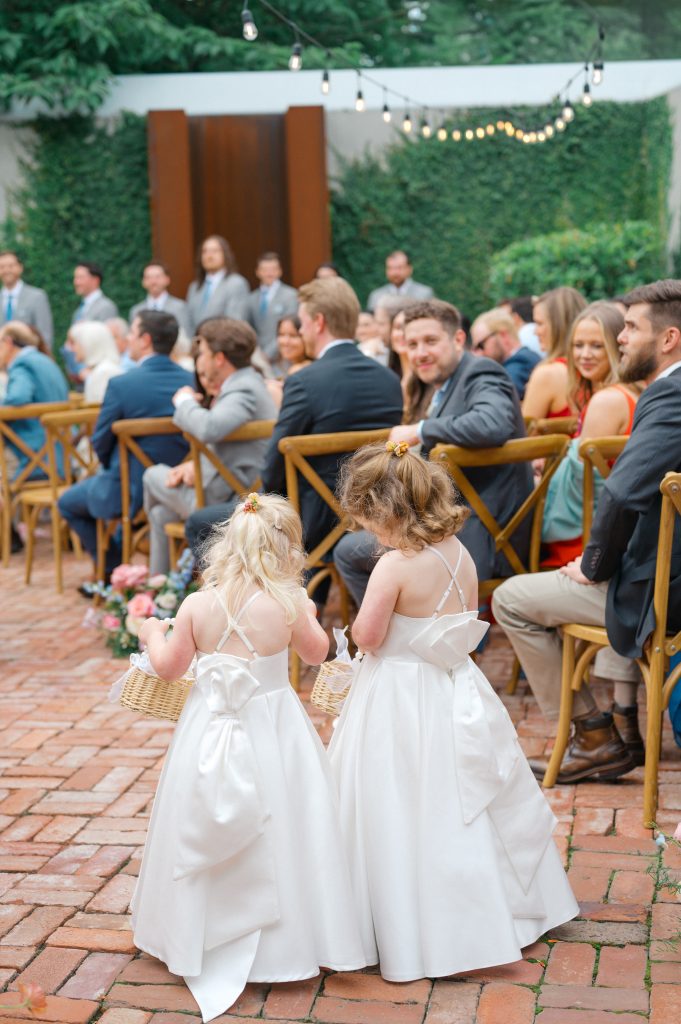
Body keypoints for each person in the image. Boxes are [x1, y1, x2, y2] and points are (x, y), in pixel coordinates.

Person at [328, 442, 577, 982]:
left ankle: (400, 920)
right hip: (453, 685)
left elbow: (368, 636)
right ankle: (497, 908)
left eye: (369, 521)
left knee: (396, 799)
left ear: (387, 511)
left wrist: (347, 635)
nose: (369, 533)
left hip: (399, 694)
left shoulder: (394, 567)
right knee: (459, 795)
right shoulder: (459, 551)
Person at [132, 494, 368, 1021]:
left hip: (207, 727)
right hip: (273, 727)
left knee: (196, 815)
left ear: (225, 546)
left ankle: (196, 930)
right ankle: (283, 943)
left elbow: (168, 669)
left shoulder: (197, 605)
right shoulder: (287, 603)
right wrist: (308, 613)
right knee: (283, 818)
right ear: (288, 551)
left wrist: (150, 633)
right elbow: (317, 654)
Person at [492, 279, 681, 783]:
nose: (622, 337)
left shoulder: (669, 395)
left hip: (663, 595)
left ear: (669, 339)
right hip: (660, 572)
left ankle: (593, 738)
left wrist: (594, 566)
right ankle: (621, 720)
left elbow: (619, 494)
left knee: (509, 599)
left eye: (632, 327)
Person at [184, 277, 403, 561]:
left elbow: (274, 467)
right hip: (377, 514)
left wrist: (260, 504)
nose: (301, 331)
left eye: (302, 323)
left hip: (310, 523)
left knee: (200, 522)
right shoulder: (389, 380)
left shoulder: (304, 381)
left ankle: (244, 590)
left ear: (318, 322)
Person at [334, 299, 531, 606]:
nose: (420, 353)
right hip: (444, 523)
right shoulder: (436, 384)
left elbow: (492, 424)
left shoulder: (481, 371)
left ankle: (405, 631)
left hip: (485, 533)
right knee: (354, 544)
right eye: (412, 344)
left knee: (349, 552)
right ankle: (407, 629)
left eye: (430, 341)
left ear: (458, 339)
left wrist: (421, 429)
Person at [58, 311, 194, 583]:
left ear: (145, 340)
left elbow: (100, 442)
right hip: (183, 485)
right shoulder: (192, 380)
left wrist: (113, 469)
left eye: (131, 333)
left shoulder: (122, 385)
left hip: (128, 490)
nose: (128, 339)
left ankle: (110, 569)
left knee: (67, 503)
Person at [143, 318, 277, 575]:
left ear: (219, 358)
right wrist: (192, 467)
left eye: (202, 351)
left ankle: (170, 572)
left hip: (233, 496)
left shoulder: (242, 389)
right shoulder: (247, 383)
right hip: (227, 487)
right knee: (160, 514)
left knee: (151, 474)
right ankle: (159, 585)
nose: (198, 358)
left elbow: (209, 428)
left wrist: (184, 402)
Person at [540, 301, 641, 567]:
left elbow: (581, 484)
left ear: (617, 347)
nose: (585, 354)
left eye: (597, 346)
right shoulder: (628, 393)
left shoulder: (607, 401)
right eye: (578, 345)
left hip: (586, 539)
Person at [0, 321, 68, 551]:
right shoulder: (45, 360)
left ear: (8, 342)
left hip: (37, 458)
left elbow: (18, 397)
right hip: (61, 455)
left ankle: (8, 539)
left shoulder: (22, 364)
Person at [522, 286, 587, 422]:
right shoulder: (596, 369)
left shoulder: (548, 374)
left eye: (539, 323)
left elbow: (526, 432)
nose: (535, 332)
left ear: (558, 326)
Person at [470, 307, 541, 399]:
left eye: (481, 345)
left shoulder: (519, 364)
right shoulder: (524, 359)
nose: (479, 354)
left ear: (503, 335)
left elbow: (497, 398)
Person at [186, 235, 250, 334]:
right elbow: (188, 322)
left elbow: (235, 322)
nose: (209, 256)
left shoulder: (236, 283)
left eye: (215, 251)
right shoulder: (194, 287)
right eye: (205, 251)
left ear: (225, 254)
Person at [244, 252, 298, 363]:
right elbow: (248, 327)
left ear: (280, 271)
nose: (269, 273)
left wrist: (268, 354)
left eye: (273, 269)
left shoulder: (291, 295)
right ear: (257, 272)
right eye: (265, 270)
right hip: (256, 357)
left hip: (282, 357)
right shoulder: (251, 298)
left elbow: (290, 328)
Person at [0, 250, 54, 349]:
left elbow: (45, 336)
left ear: (20, 268)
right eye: (2, 267)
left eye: (11, 266)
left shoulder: (37, 297)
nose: (6, 270)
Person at [67, 321, 123, 404]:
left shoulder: (103, 373)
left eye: (74, 343)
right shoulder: (102, 370)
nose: (71, 349)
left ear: (88, 344)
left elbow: (99, 410)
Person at [129, 261, 190, 336]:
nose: (153, 281)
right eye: (148, 277)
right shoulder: (136, 311)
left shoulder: (180, 308)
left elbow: (187, 336)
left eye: (157, 277)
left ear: (167, 279)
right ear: (143, 282)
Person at [264, 315, 311, 410]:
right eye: (281, 335)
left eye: (293, 336)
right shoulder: (289, 366)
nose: (285, 341)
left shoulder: (301, 368)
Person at [366, 249, 434, 312]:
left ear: (409, 269)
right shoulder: (376, 296)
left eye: (399, 268)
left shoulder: (424, 294)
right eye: (390, 268)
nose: (394, 273)